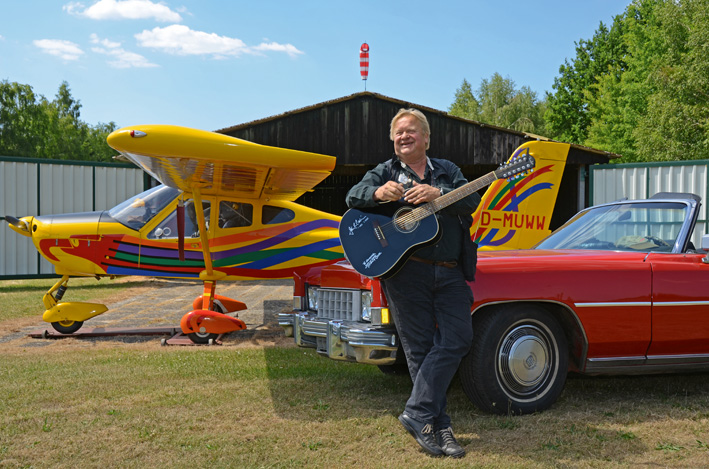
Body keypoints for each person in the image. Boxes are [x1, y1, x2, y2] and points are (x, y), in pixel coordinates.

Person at [345, 108, 480, 458]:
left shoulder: (447, 171)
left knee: (458, 338)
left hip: (449, 271)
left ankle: (417, 413)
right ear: (393, 141)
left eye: (411, 132)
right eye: (399, 133)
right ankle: (441, 428)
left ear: (426, 138)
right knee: (419, 350)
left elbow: (472, 200)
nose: (404, 137)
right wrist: (377, 195)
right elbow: (353, 196)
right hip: (406, 273)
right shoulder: (385, 172)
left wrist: (437, 194)